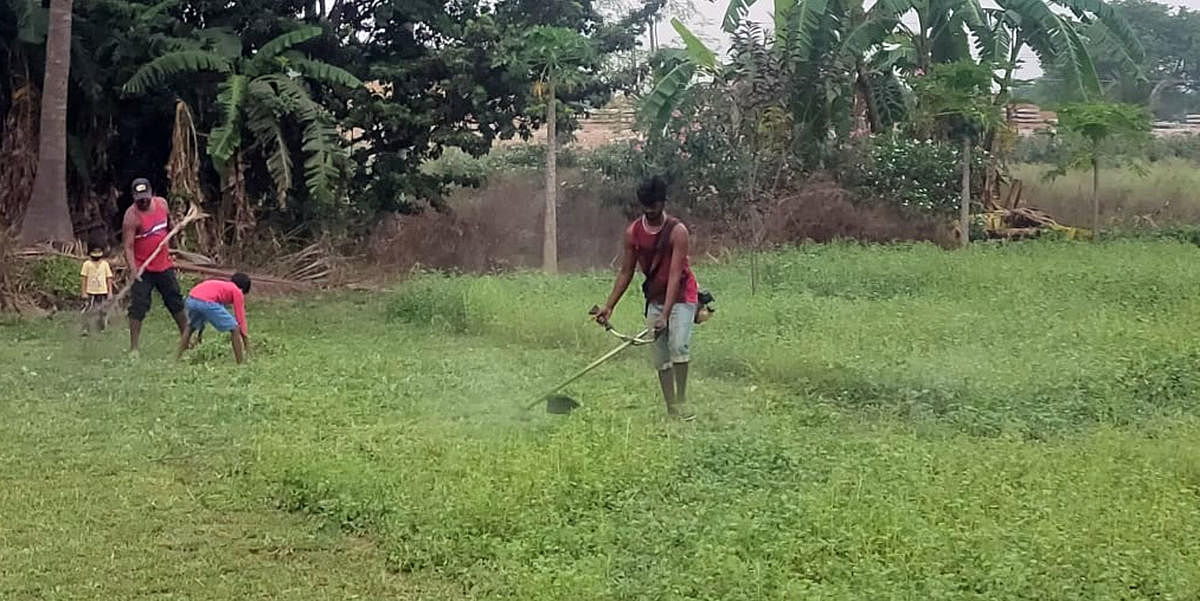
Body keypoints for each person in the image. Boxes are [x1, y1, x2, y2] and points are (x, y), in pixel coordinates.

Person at [595, 176, 699, 420]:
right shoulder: (633, 232)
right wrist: (609, 307)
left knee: (678, 345)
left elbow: (675, 275)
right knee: (660, 355)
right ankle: (671, 407)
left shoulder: (678, 232)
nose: (650, 212)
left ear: (663, 203)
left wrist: (665, 316)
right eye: (646, 207)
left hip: (682, 295)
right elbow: (626, 271)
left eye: (655, 206)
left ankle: (682, 400)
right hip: (654, 296)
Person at [123, 177, 187, 354]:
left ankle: (186, 337)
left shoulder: (162, 204)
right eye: (139, 198)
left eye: (145, 197)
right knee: (139, 305)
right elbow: (128, 247)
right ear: (134, 197)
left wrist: (174, 231)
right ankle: (134, 347)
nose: (143, 201)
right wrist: (133, 270)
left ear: (151, 194)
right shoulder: (131, 216)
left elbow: (168, 224)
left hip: (164, 265)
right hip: (143, 269)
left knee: (175, 300)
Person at [177, 273, 252, 364]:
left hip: (192, 299)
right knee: (235, 328)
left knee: (190, 327)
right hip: (206, 302)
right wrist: (246, 341)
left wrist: (200, 335)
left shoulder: (222, 286)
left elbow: (205, 313)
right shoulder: (237, 291)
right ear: (243, 289)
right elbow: (240, 318)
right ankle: (240, 363)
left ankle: (178, 357)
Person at [79, 243, 114, 336]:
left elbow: (109, 278)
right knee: (88, 310)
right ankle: (85, 328)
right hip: (90, 291)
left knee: (103, 310)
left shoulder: (105, 264)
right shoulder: (87, 264)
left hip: (102, 291)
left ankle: (101, 328)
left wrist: (110, 292)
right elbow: (84, 278)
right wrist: (83, 292)